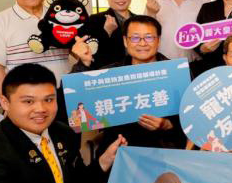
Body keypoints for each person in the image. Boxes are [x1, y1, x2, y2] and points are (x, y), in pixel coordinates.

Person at [72, 15, 185, 154]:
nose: (142, 43)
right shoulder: (109, 75)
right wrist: (83, 64)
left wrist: (167, 125)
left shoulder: (176, 73)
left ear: (158, 41)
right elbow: (77, 112)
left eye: (149, 37)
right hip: (118, 152)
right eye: (135, 38)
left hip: (166, 152)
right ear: (125, 41)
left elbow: (193, 120)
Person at [81, 0, 133, 69]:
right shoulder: (95, 20)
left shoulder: (138, 19)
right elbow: (90, 54)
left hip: (138, 72)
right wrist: (106, 32)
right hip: (109, 73)